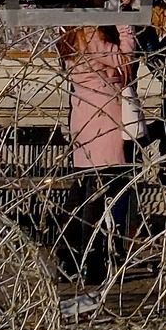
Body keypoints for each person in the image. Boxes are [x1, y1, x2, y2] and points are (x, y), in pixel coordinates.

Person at [64, 25, 140, 284]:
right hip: (104, 119)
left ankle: (70, 258)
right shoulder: (91, 34)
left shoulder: (74, 33)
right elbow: (124, 61)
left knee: (83, 192)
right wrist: (126, 31)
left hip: (86, 117)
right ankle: (91, 261)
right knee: (97, 195)